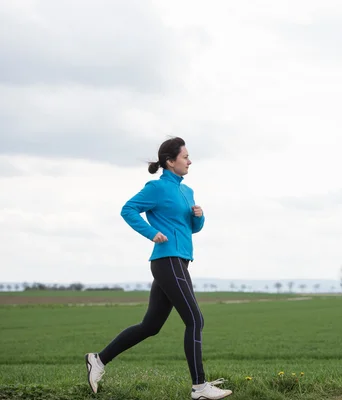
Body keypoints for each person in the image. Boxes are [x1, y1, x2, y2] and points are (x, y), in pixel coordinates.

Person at [84, 137, 232, 400]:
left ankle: (98, 359)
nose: (189, 161)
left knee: (150, 325)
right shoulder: (157, 188)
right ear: (170, 161)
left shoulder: (187, 192)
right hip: (167, 260)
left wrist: (199, 217)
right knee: (195, 319)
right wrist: (151, 233)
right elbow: (128, 210)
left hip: (180, 260)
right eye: (185, 156)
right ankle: (200, 387)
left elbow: (191, 229)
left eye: (188, 156)